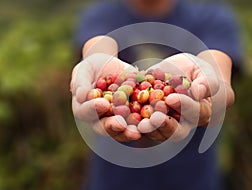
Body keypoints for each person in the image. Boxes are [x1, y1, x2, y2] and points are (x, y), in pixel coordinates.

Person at [71, 0, 242, 189]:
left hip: (191, 179)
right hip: (114, 181)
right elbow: (98, 47)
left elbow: (218, 75)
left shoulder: (211, 17)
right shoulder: (102, 15)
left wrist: (213, 91)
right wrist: (97, 60)